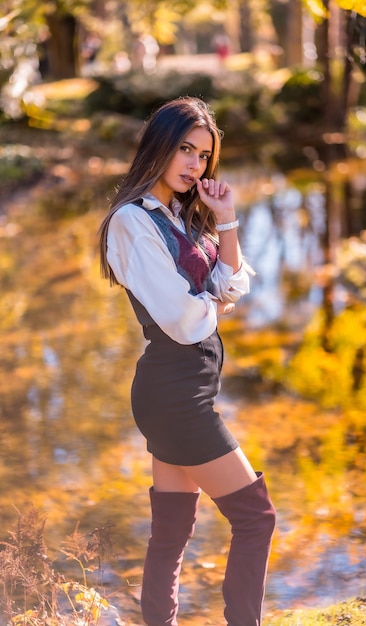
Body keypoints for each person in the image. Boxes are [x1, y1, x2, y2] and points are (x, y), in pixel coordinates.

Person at [98, 97, 276, 626]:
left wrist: (226, 221)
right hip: (175, 396)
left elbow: (232, 284)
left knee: (171, 533)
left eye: (203, 156)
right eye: (185, 149)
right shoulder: (131, 222)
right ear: (159, 143)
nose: (195, 165)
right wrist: (212, 300)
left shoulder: (178, 215)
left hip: (182, 391)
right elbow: (183, 319)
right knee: (255, 517)